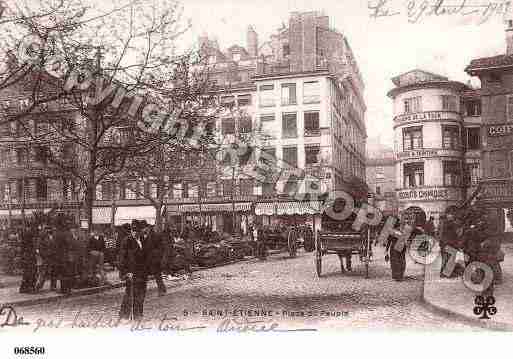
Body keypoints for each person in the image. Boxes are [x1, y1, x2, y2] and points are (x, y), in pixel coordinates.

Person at [118, 220, 152, 321]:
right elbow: (122, 258)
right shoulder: (127, 241)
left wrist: (149, 270)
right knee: (130, 294)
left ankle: (138, 315)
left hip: (142, 272)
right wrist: (125, 272)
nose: (135, 232)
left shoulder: (143, 240)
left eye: (137, 230)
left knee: (141, 294)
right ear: (131, 231)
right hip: (131, 272)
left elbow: (146, 255)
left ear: (140, 231)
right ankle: (124, 315)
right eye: (133, 230)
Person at [54, 214, 74, 294]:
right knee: (67, 272)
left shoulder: (56, 233)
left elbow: (54, 245)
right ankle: (67, 288)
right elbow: (70, 244)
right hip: (66, 255)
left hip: (59, 256)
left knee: (62, 273)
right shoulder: (67, 233)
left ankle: (64, 288)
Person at [144, 225, 167, 296]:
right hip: (151, 259)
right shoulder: (148, 236)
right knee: (157, 275)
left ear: (150, 228)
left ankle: (161, 290)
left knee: (157, 275)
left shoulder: (155, 236)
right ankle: (162, 289)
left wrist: (155, 254)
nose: (145, 230)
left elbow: (161, 247)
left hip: (155, 259)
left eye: (147, 228)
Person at [19, 222, 38, 294]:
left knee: (26, 272)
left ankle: (23, 288)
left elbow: (22, 247)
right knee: (31, 272)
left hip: (26, 255)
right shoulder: (30, 234)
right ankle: (30, 288)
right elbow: (32, 245)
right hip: (30, 255)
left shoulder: (25, 234)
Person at [439, 213, 460, 278]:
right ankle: (447, 273)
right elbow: (456, 234)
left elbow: (440, 234)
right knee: (450, 259)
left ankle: (442, 273)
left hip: (444, 244)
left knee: (444, 258)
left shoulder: (443, 224)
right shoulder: (453, 225)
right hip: (450, 244)